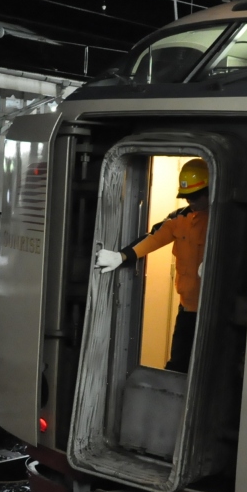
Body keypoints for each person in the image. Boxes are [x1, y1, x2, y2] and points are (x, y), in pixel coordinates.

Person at [95, 158, 209, 373]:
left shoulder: (223, 220)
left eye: (196, 196)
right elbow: (154, 238)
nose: (191, 201)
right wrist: (122, 256)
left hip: (213, 312)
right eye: (187, 197)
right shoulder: (180, 219)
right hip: (187, 311)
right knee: (178, 367)